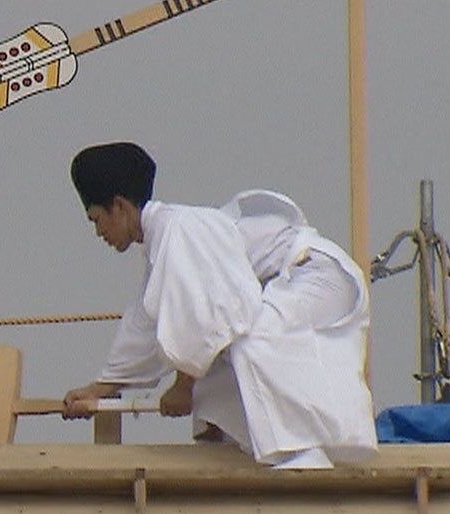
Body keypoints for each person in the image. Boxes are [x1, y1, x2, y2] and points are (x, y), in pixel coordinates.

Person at [61, 142, 376, 468]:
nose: (98, 232)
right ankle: (242, 450)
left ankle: (301, 453)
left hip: (313, 274)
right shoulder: (164, 247)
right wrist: (96, 389)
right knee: (213, 381)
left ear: (120, 206)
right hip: (291, 285)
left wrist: (182, 387)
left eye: (96, 219)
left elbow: (213, 314)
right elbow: (144, 332)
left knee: (251, 342)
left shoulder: (180, 229)